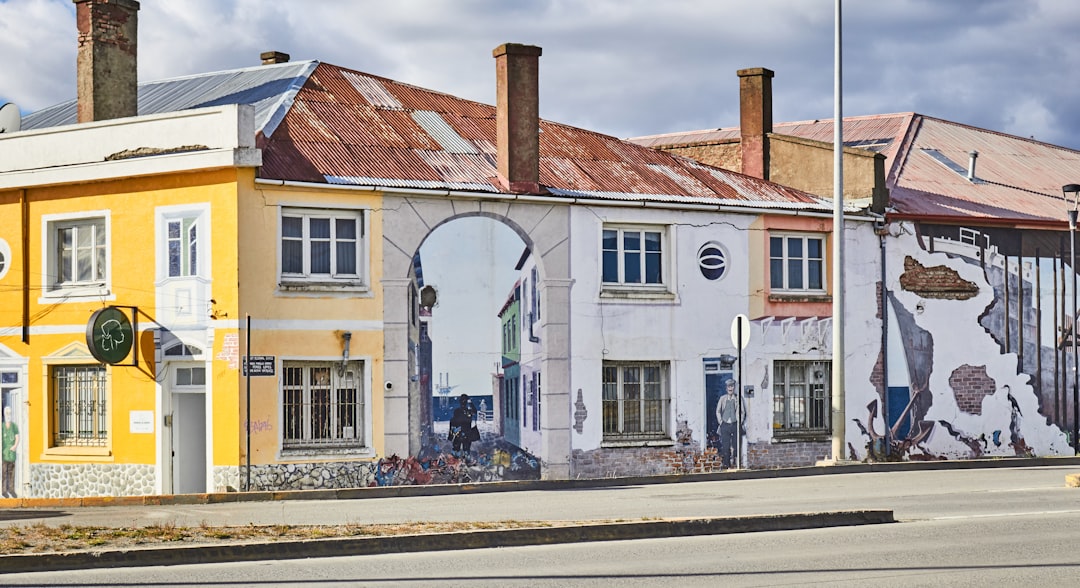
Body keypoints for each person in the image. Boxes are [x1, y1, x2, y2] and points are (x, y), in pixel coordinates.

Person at [716, 379, 739, 469]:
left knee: (735, 445)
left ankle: (736, 462)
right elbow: (718, 411)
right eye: (729, 386)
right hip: (725, 424)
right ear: (726, 388)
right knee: (725, 446)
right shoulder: (723, 399)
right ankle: (727, 463)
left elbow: (742, 412)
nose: (730, 388)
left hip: (734, 424)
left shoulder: (737, 399)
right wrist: (721, 422)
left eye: (732, 386)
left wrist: (738, 421)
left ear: (734, 387)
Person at [2, 405, 18, 498]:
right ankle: (4, 490)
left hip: (12, 454)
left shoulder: (14, 426)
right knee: (4, 473)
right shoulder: (2, 426)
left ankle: (11, 490)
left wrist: (15, 446)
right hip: (3, 454)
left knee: (11, 473)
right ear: (4, 414)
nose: (8, 415)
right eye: (7, 413)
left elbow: (17, 437)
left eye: (10, 413)